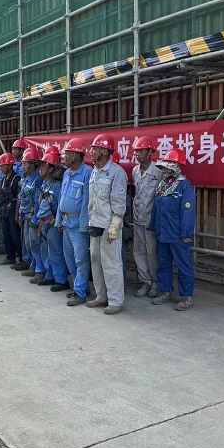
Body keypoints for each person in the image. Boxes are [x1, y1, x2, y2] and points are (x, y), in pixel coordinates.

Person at [149, 148, 197, 311]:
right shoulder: (162, 185)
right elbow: (156, 208)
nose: (164, 170)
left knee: (184, 265)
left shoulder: (184, 186)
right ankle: (165, 291)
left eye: (167, 167)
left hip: (178, 235)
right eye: (163, 167)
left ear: (176, 167)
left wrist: (186, 233)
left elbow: (188, 211)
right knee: (163, 263)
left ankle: (187, 297)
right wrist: (154, 227)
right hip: (162, 233)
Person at [86, 133, 128, 315]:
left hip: (109, 227)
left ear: (104, 151)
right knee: (96, 261)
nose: (91, 152)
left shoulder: (117, 173)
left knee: (112, 263)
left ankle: (116, 301)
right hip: (95, 224)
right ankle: (101, 296)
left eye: (95, 149)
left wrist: (114, 226)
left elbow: (119, 202)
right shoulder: (94, 171)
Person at [56, 138, 92, 306]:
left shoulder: (87, 173)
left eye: (68, 153)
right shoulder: (66, 173)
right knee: (69, 257)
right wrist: (59, 220)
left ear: (77, 155)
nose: (65, 157)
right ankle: (81, 286)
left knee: (81, 259)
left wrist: (84, 226)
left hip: (78, 224)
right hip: (66, 222)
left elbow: (86, 202)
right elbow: (61, 198)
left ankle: (80, 292)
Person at [131, 136, 162, 298]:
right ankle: (146, 282)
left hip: (151, 220)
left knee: (152, 252)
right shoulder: (135, 171)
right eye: (136, 151)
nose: (138, 154)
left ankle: (155, 283)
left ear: (150, 152)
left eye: (141, 151)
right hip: (137, 218)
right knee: (139, 251)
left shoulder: (158, 171)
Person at [35, 152, 69, 291]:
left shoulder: (57, 186)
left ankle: (61, 280)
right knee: (47, 252)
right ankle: (50, 276)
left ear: (51, 168)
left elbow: (61, 204)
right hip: (44, 223)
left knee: (56, 253)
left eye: (44, 165)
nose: (40, 168)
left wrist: (56, 220)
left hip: (52, 223)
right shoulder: (46, 184)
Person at [18, 147, 43, 277]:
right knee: (27, 244)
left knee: (34, 244)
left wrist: (35, 219)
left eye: (25, 163)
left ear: (32, 165)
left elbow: (38, 201)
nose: (22, 166)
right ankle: (31, 265)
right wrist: (20, 213)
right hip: (26, 215)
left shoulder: (37, 180)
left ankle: (39, 269)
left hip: (33, 217)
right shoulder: (26, 178)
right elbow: (22, 197)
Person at [0, 152, 22, 267]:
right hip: (4, 210)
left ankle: (21, 258)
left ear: (9, 165)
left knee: (15, 235)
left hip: (13, 209)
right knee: (6, 234)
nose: (1, 168)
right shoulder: (4, 180)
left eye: (2, 166)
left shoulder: (16, 179)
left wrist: (16, 212)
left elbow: (19, 197)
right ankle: (10, 256)